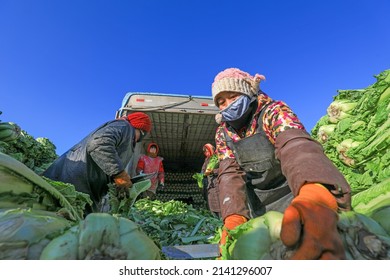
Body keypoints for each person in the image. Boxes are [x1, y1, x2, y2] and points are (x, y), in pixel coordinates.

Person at [211, 67, 351, 260]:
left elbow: (295, 146)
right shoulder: (222, 133)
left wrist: (314, 189)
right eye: (221, 101)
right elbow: (229, 174)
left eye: (232, 96)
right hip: (257, 206)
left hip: (293, 195)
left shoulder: (273, 112)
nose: (227, 105)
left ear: (247, 91)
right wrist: (233, 215)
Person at [43, 112, 152, 214]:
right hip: (71, 183)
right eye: (141, 136)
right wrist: (119, 174)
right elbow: (98, 144)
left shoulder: (124, 131)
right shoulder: (125, 127)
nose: (137, 141)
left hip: (81, 188)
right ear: (140, 130)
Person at [201, 143, 221, 217]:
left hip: (217, 184)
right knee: (211, 205)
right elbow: (203, 171)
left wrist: (213, 171)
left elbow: (222, 169)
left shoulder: (218, 157)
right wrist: (200, 176)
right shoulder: (206, 160)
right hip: (209, 186)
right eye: (205, 152)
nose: (207, 153)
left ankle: (222, 221)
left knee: (219, 204)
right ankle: (215, 221)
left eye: (208, 151)